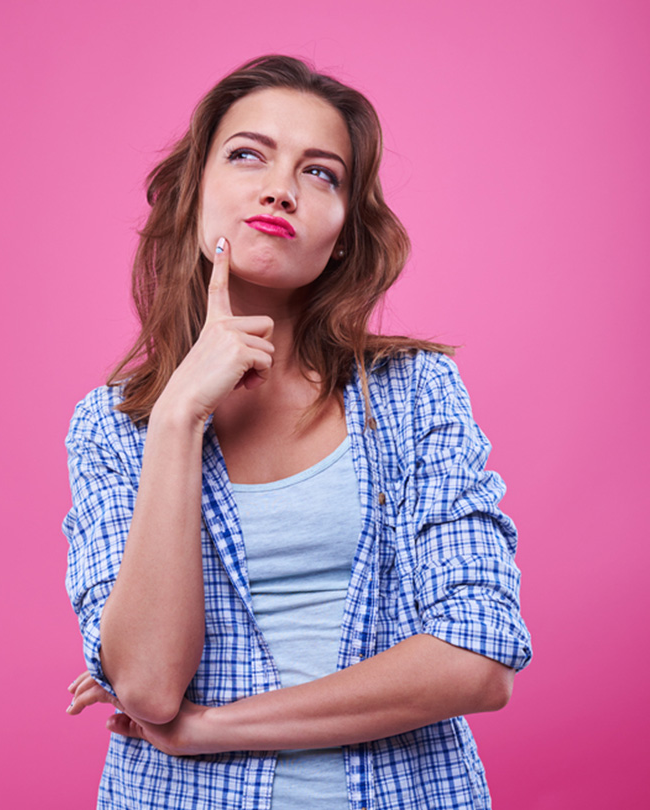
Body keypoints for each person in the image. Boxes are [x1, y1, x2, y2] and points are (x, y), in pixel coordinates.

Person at [62, 54, 531, 810]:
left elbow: (479, 658)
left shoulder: (414, 394)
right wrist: (179, 417)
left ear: (342, 233)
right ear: (192, 194)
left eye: (320, 173)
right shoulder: (114, 428)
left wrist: (211, 729)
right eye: (248, 155)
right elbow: (148, 685)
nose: (281, 187)